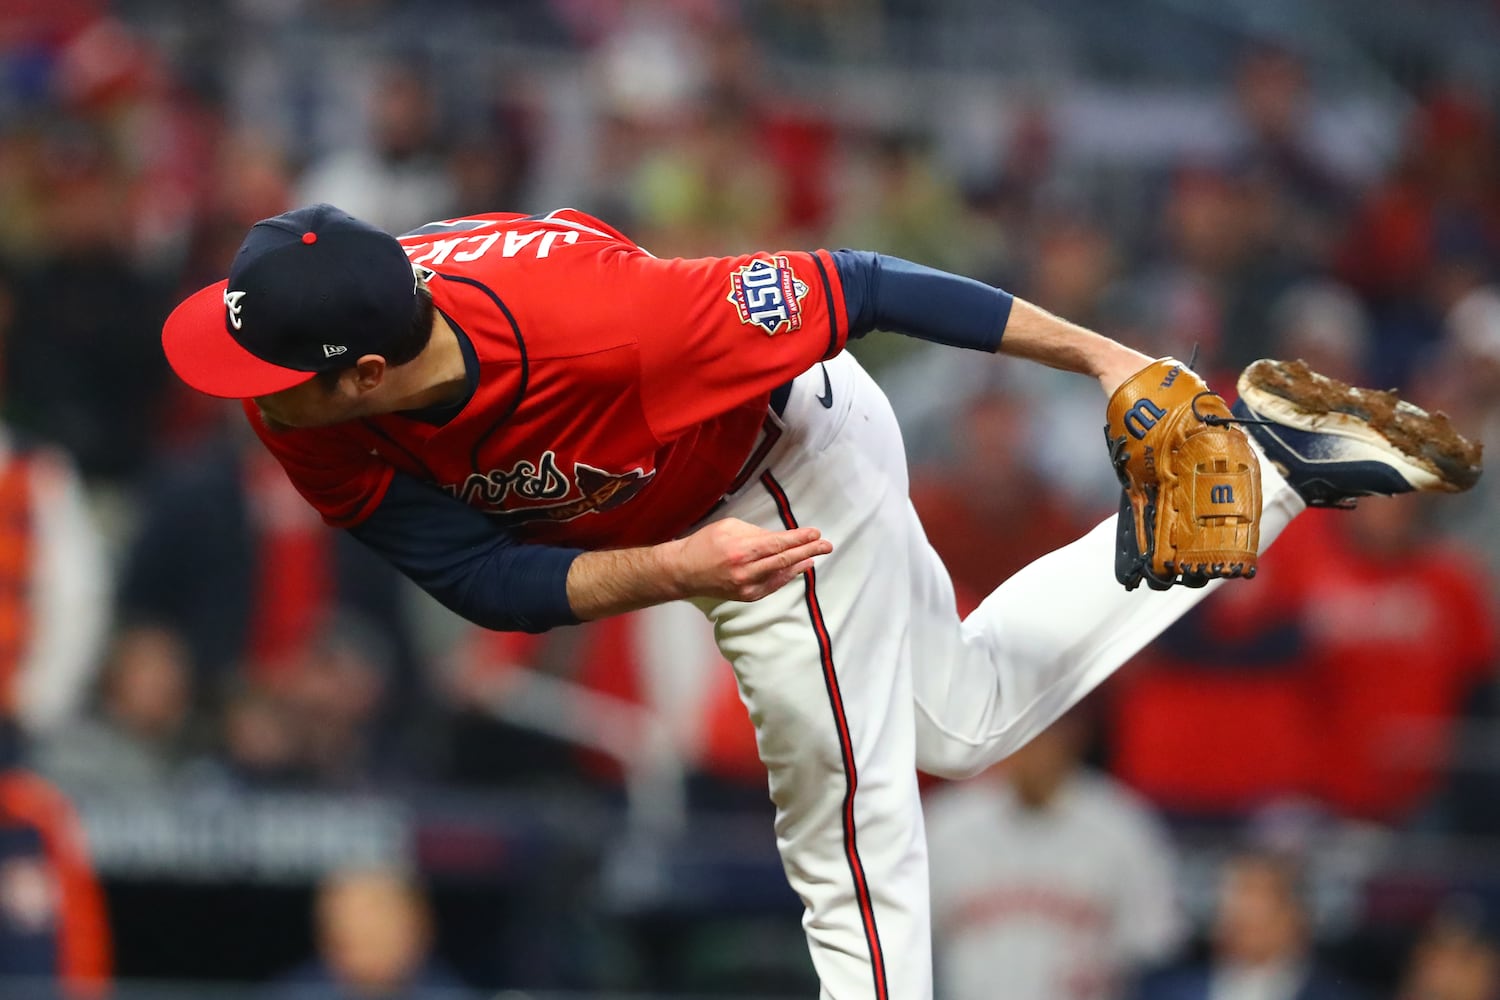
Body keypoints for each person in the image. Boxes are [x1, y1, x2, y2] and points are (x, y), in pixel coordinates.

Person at [160, 203, 1479, 1000]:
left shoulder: (616, 321)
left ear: (366, 365)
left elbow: (863, 284)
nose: (242, 385)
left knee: (840, 809)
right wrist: (670, 573)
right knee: (957, 728)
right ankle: (1274, 467)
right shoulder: (310, 409)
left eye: (264, 364)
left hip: (776, 452)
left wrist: (1110, 359)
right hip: (684, 526)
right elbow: (478, 581)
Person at [925, 708, 1184, 1000]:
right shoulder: (946, 824)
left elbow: (1156, 941)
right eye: (1023, 736)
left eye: (1047, 734)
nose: (1035, 750)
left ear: (1074, 736)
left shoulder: (1124, 826)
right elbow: (907, 941)